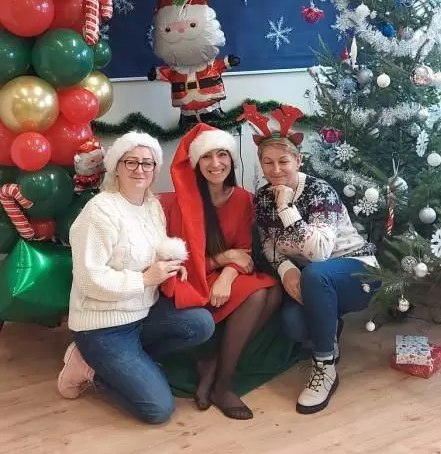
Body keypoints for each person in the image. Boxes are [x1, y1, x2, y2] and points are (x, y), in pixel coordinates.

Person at [57, 131, 215, 423]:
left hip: (143, 314)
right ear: (116, 167)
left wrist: (168, 263)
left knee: (201, 324)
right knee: (158, 410)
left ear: (155, 169)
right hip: (103, 327)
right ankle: (90, 365)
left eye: (147, 163)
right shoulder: (100, 212)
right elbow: (89, 281)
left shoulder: (152, 206)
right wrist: (145, 279)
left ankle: (129, 362)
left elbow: (148, 249)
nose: (140, 169)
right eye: (131, 162)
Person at [243, 104, 378, 415]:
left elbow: (319, 252)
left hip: (357, 272)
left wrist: (286, 209)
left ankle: (325, 366)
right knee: (294, 325)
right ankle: (330, 329)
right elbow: (269, 245)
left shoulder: (319, 191)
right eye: (267, 162)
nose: (275, 170)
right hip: (309, 278)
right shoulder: (262, 197)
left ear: (298, 161)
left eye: (283, 161)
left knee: (316, 274)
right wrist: (286, 270)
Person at [161, 124, 282, 420]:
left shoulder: (242, 198)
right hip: (192, 278)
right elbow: (183, 262)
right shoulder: (183, 202)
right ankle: (223, 385)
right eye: (207, 157)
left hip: (223, 275)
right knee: (258, 296)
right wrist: (223, 259)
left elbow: (244, 252)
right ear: (196, 163)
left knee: (274, 290)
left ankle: (213, 365)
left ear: (231, 159)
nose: (216, 164)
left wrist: (227, 275)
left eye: (222, 154)